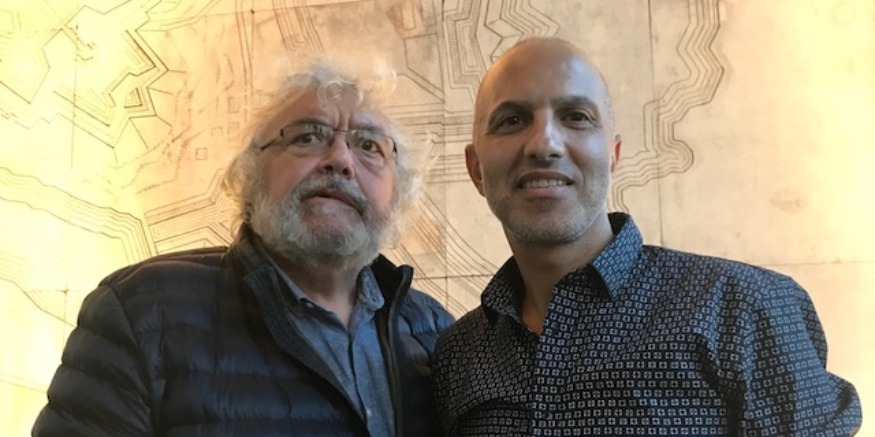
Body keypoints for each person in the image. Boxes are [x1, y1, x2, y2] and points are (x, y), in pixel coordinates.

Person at [431, 37, 861, 436]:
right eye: (512, 120)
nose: (544, 144)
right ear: (476, 170)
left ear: (613, 156)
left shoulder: (742, 311)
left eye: (576, 117)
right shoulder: (458, 355)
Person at [32, 57, 453, 437]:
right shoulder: (140, 312)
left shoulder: (439, 333)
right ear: (251, 173)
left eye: (369, 146)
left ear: (398, 193)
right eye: (308, 136)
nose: (341, 159)